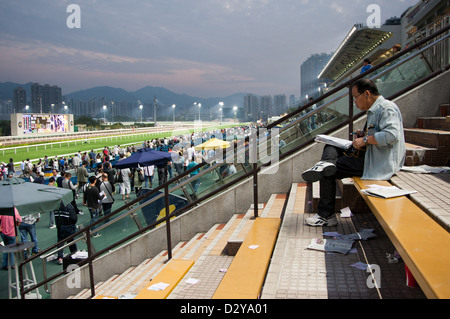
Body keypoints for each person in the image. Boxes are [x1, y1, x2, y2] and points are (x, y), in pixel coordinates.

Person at [302, 78, 406, 227]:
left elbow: (391, 136)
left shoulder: (386, 108)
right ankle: (326, 164)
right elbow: (378, 135)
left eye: (356, 97)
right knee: (330, 146)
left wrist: (365, 140)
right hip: (369, 155)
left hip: (376, 163)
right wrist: (363, 136)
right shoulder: (374, 110)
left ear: (367, 94)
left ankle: (326, 216)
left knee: (327, 172)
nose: (355, 102)